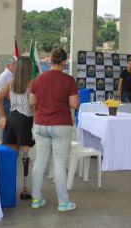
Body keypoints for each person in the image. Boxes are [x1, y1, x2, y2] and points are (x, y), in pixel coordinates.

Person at [30, 48, 79, 212]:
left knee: (40, 162)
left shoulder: (38, 79)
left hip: (40, 124)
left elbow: (32, 102)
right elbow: (74, 104)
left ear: (50, 60)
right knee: (59, 163)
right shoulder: (69, 80)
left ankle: (36, 199)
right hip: (61, 125)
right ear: (64, 62)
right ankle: (63, 203)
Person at [0, 56, 34, 155]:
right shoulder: (31, 83)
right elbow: (34, 103)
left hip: (12, 119)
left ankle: (10, 171)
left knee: (12, 157)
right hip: (25, 120)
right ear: (29, 68)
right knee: (26, 156)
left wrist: (3, 117)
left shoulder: (11, 83)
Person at [0, 57, 15, 144]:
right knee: (7, 125)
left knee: (11, 125)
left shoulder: (11, 75)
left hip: (11, 101)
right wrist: (13, 101)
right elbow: (3, 93)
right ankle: (4, 144)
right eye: (14, 65)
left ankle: (8, 142)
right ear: (9, 65)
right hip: (7, 102)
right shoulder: (4, 75)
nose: (15, 67)